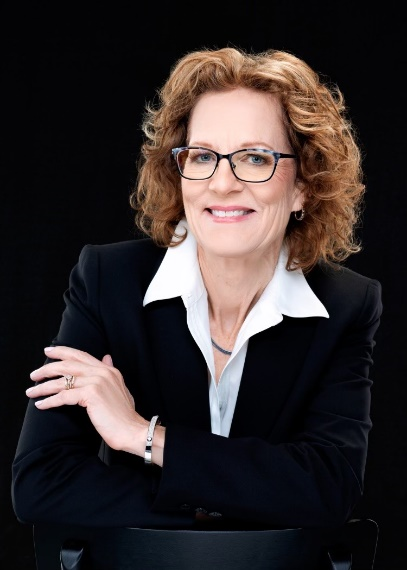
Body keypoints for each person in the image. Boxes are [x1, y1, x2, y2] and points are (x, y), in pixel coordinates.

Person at [12, 46, 382, 533]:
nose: (222, 183)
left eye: (255, 158)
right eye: (203, 155)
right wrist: (235, 504)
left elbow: (329, 489)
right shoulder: (107, 280)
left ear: (303, 186)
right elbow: (42, 483)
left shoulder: (347, 304)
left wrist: (143, 437)